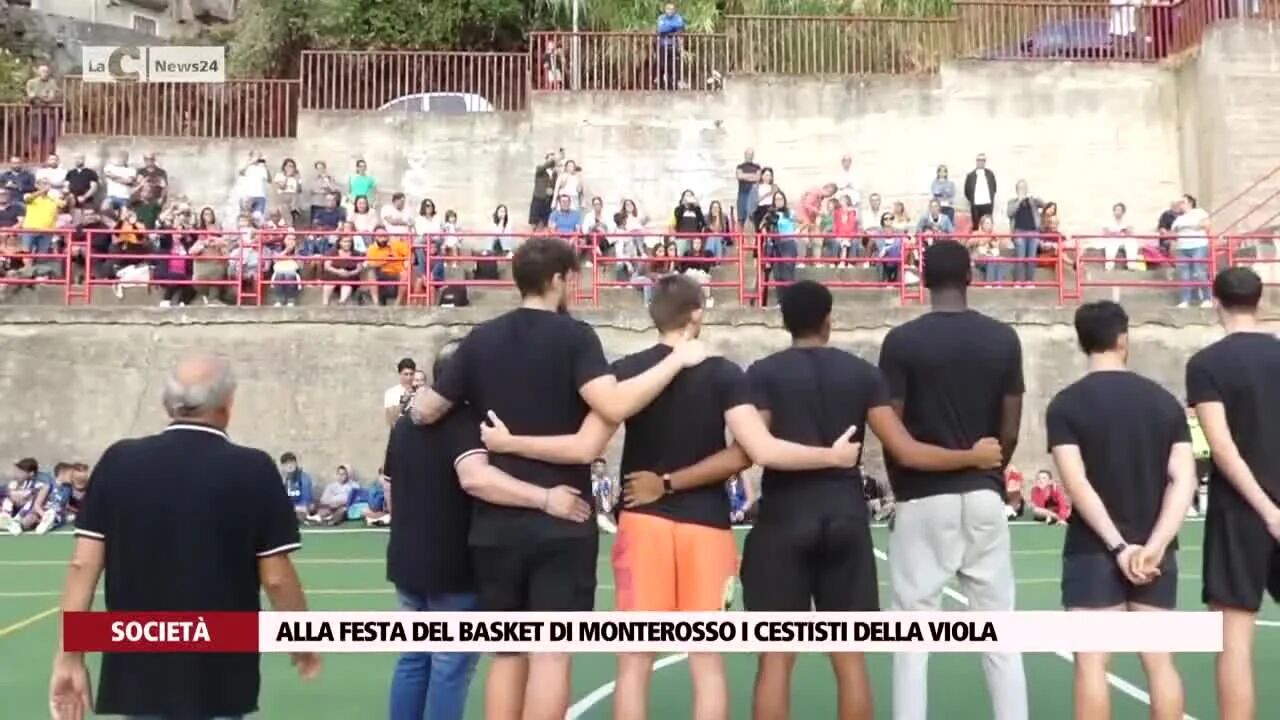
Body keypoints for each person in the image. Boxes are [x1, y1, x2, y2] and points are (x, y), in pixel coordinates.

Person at [477, 275, 915, 720]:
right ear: (697, 314)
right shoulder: (725, 373)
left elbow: (585, 446)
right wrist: (831, 456)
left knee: (634, 662)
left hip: (643, 521)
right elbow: (755, 451)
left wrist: (511, 444)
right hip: (706, 525)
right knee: (706, 660)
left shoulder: (627, 371)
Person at [409, 236, 708, 720]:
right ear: (557, 280)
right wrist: (677, 359)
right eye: (573, 276)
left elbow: (427, 409)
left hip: (495, 523)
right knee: (552, 653)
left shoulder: (480, 340)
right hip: (561, 519)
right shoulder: (575, 338)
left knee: (506, 655)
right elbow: (611, 405)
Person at [738, 279, 1004, 720]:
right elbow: (905, 449)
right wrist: (971, 456)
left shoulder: (764, 374)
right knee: (850, 658)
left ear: (784, 322)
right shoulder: (861, 374)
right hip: (844, 518)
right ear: (829, 320)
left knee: (776, 657)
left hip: (783, 519)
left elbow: (749, 447)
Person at [48, 354, 320, 720]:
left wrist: (69, 656)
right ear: (227, 405)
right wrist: (300, 640)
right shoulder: (253, 468)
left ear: (167, 403)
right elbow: (275, 576)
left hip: (138, 669)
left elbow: (84, 563)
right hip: (219, 672)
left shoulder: (118, 461)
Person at [384, 339, 592, 720]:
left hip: (406, 558)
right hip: (449, 565)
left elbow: (391, 485)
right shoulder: (464, 423)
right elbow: (477, 479)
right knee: (450, 666)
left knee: (413, 659)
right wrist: (545, 498)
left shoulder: (404, 426)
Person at [878, 240, 1028, 720]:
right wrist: (989, 470)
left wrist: (903, 485)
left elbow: (892, 428)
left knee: (912, 637)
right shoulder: (1003, 339)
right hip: (983, 492)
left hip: (923, 496)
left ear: (922, 279)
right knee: (999, 632)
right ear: (971, 276)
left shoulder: (901, 342)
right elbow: (1010, 426)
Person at [1046, 300, 1197, 720]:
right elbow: (1183, 479)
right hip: (1155, 551)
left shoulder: (1065, 405)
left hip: (1093, 549)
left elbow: (1077, 484)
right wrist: (1155, 545)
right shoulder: (1164, 402)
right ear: (1123, 340)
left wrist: (1118, 547)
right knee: (1160, 662)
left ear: (1081, 342)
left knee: (1092, 664)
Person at [1185, 267, 1280, 720]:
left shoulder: (1207, 364)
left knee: (1233, 640)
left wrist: (1266, 508)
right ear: (1259, 301)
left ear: (1215, 299)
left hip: (1239, 511)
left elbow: (1221, 447)